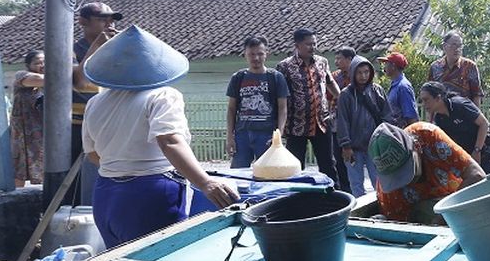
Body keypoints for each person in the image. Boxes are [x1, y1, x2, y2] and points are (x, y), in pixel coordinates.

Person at [82, 26, 239, 248]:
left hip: (106, 196)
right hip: (149, 196)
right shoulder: (162, 95)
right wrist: (205, 182)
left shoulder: (95, 102)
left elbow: (92, 154)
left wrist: (123, 164)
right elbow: (169, 141)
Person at [370, 122, 485, 223]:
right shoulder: (388, 194)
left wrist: (443, 217)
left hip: (458, 202)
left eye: (406, 171)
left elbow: (477, 176)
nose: (403, 181)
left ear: (417, 147)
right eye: (396, 177)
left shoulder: (429, 136)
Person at [277, 28, 342, 184]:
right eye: (308, 44)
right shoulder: (284, 67)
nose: (312, 47)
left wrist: (340, 99)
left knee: (328, 164)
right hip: (296, 125)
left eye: (314, 43)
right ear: (297, 45)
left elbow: (330, 82)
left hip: (321, 123)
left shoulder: (322, 62)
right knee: (296, 166)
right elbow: (280, 98)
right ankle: (297, 200)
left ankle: (333, 197)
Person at [71, 2, 122, 203]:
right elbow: (80, 82)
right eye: (102, 19)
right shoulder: (73, 50)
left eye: (111, 19)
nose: (108, 23)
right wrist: (97, 45)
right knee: (79, 181)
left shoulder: (115, 49)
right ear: (83, 22)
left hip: (111, 123)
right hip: (79, 124)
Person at [225, 35, 290, 168]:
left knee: (268, 174)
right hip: (242, 135)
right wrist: (230, 137)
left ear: (267, 54)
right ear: (245, 55)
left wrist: (279, 135)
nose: (256, 58)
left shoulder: (276, 77)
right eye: (251, 54)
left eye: (260, 54)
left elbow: (283, 108)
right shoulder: (238, 78)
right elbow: (231, 109)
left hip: (266, 135)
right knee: (238, 175)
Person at [336, 56, 392, 197]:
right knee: (356, 184)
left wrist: (385, 139)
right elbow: (342, 121)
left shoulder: (377, 91)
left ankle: (382, 208)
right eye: (359, 72)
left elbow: (387, 116)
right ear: (353, 73)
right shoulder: (346, 95)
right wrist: (346, 146)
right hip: (353, 147)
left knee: (379, 182)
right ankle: (360, 214)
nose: (363, 76)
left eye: (366, 72)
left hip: (375, 147)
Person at [419, 81, 489, 163]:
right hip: (464, 157)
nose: (423, 104)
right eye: (422, 101)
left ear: (438, 98)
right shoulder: (439, 119)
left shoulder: (460, 105)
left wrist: (477, 151)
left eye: (426, 100)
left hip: (482, 151)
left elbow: (484, 123)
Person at [11, 50, 45, 188]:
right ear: (28, 65)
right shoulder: (22, 76)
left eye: (44, 62)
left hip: (40, 131)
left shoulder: (48, 85)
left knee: (42, 164)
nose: (42, 65)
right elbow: (42, 79)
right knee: (20, 166)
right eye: (37, 62)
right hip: (22, 131)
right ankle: (15, 197)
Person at [329, 46, 357, 192]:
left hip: (355, 124)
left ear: (350, 59)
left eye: (340, 58)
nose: (337, 61)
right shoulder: (334, 77)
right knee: (338, 158)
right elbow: (328, 98)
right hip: (337, 122)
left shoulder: (359, 76)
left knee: (355, 158)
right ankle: (344, 190)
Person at [428, 32, 482, 103]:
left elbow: (476, 95)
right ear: (444, 46)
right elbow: (430, 94)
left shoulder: (470, 66)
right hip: (441, 112)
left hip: (465, 112)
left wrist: (476, 113)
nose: (457, 49)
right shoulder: (435, 67)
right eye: (454, 45)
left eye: (460, 46)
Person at [379, 52, 419, 126]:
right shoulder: (395, 85)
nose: (384, 67)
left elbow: (411, 117)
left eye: (386, 64)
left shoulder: (403, 87)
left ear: (393, 66)